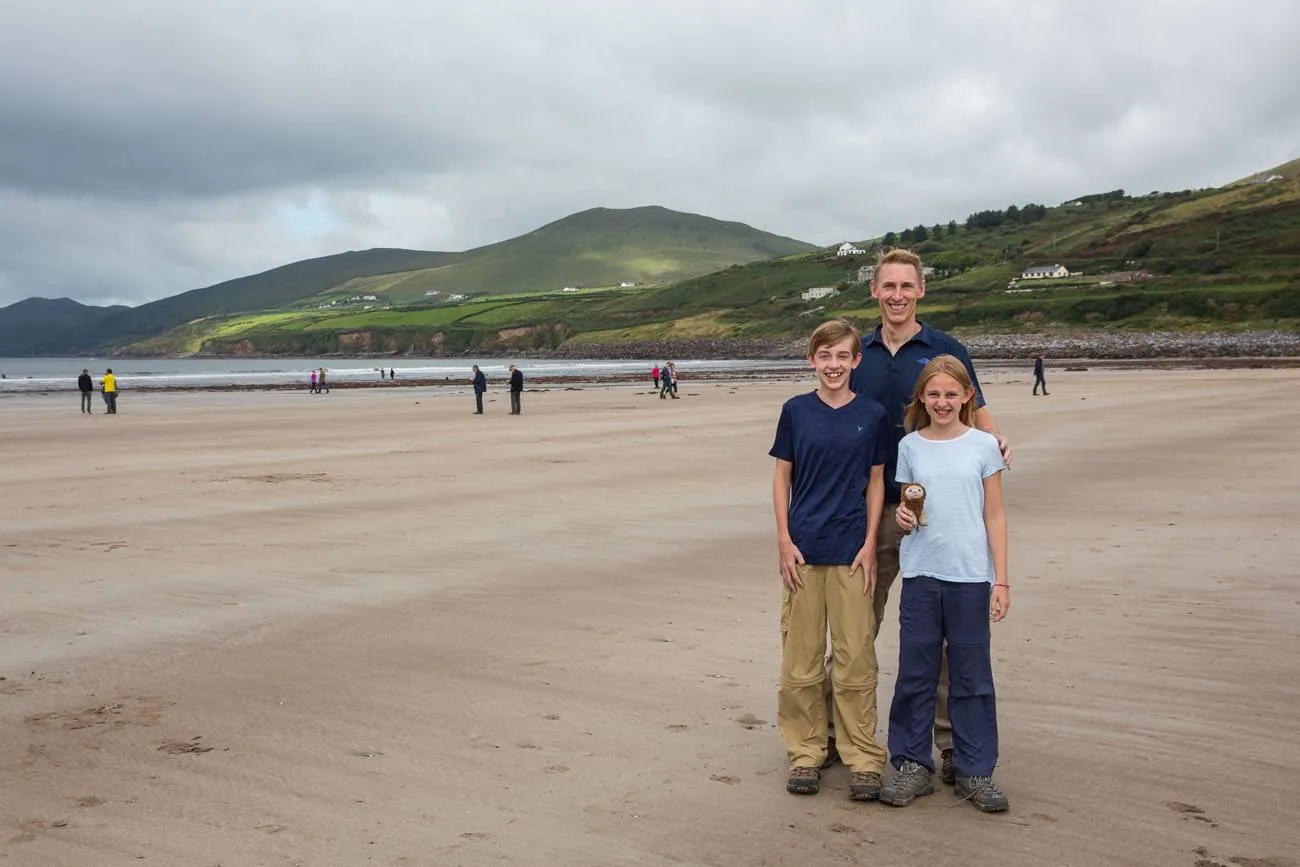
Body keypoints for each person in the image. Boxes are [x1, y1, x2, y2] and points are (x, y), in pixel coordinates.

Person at [838, 248, 1010, 784]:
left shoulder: (945, 349)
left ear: (920, 291)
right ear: (874, 291)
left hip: (930, 517)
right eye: (887, 286)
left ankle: (947, 743)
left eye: (906, 287)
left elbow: (974, 410)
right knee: (854, 627)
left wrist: (997, 441)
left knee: (935, 640)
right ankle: (838, 736)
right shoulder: (857, 353)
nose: (896, 295)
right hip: (863, 511)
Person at [879, 355, 1010, 813]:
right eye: (933, 394)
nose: (942, 402)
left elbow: (994, 514)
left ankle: (975, 770)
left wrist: (1003, 581)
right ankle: (913, 765)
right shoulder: (911, 446)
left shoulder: (984, 446)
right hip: (920, 572)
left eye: (951, 394)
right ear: (921, 398)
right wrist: (901, 518)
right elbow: (909, 507)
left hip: (971, 574)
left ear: (967, 397)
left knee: (971, 675)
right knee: (916, 671)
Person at [771, 319, 892, 801]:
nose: (834, 365)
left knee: (855, 659)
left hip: (852, 554)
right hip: (802, 553)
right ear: (811, 361)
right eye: (825, 357)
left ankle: (862, 756)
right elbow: (782, 479)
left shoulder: (874, 414)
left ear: (856, 361)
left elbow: (877, 481)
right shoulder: (796, 412)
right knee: (800, 664)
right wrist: (783, 539)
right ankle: (806, 753)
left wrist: (869, 543)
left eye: (843, 356)